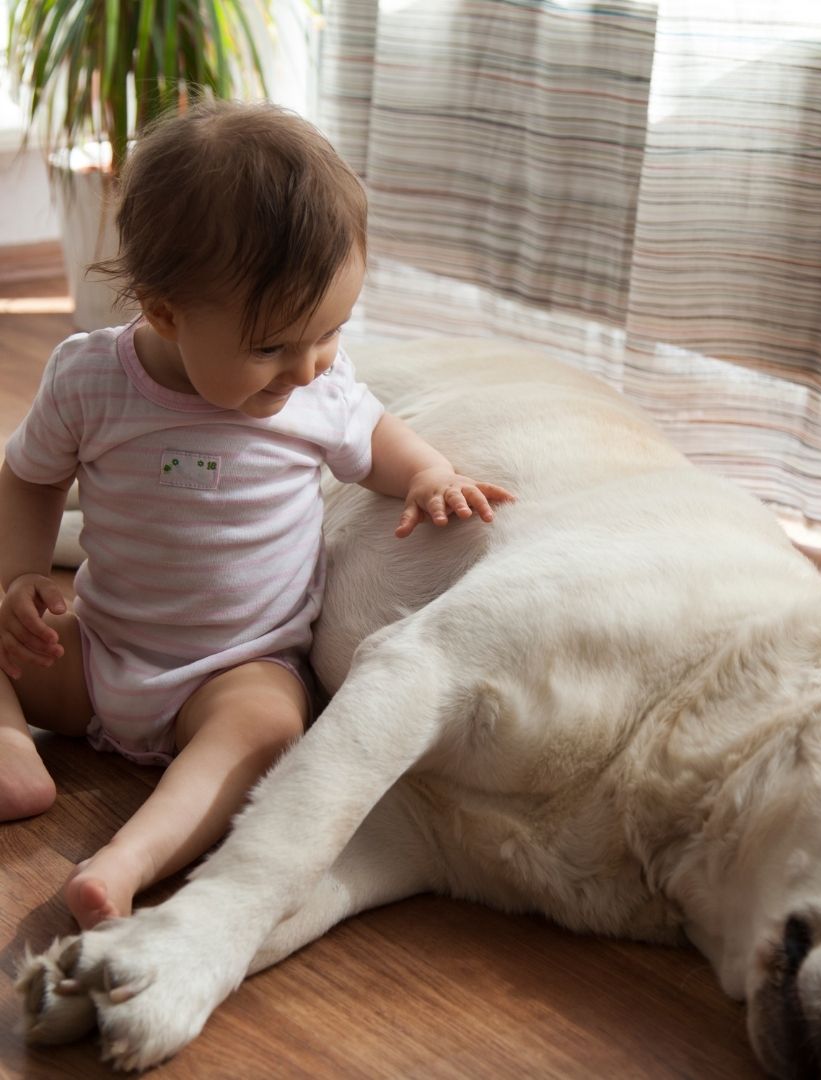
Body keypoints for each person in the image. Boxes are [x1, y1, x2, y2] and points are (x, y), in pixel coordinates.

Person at [0, 100, 513, 930]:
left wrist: (428, 474)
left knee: (272, 728)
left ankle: (128, 860)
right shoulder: (88, 379)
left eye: (333, 332)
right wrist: (21, 576)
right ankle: (12, 746)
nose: (309, 368)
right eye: (272, 346)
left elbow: (377, 438)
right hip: (96, 647)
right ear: (165, 313)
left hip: (233, 668)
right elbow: (26, 478)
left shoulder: (316, 393)